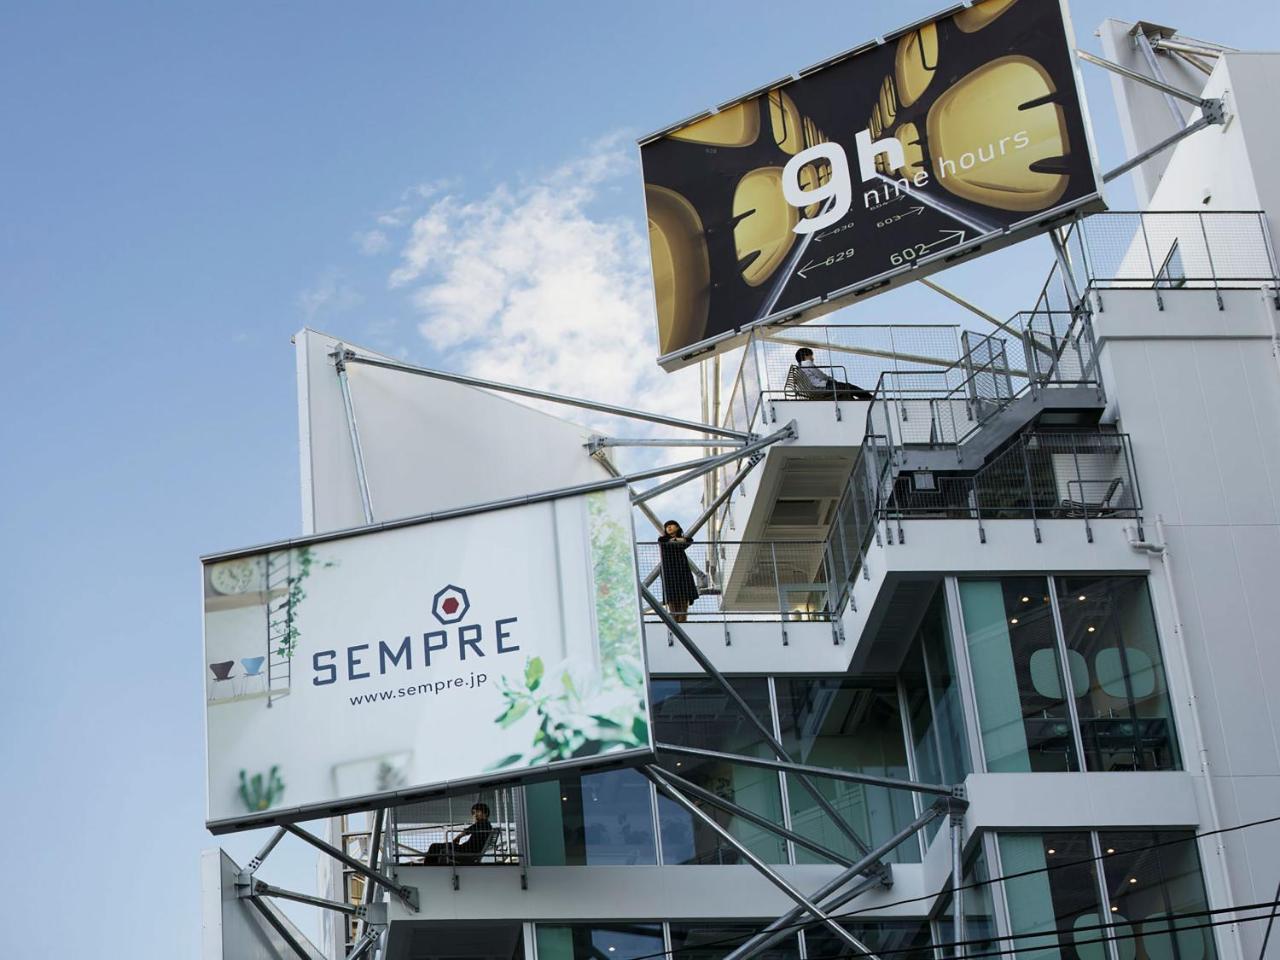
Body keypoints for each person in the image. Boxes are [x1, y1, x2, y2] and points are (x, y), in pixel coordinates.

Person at [423, 802, 494, 865]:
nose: (475, 815)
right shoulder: (486, 825)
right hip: (466, 849)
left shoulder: (483, 824)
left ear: (485, 813)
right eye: (474, 813)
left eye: (478, 812)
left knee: (434, 847)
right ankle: (432, 866)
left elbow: (468, 830)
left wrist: (458, 837)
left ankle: (428, 867)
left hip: (466, 851)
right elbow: (470, 829)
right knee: (437, 847)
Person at [794, 348, 874, 400]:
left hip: (816, 388)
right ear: (805, 356)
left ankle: (861, 400)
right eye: (811, 356)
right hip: (823, 387)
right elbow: (820, 375)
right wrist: (830, 379)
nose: (812, 358)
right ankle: (870, 398)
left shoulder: (801, 367)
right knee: (848, 386)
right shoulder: (807, 363)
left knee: (845, 392)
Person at [658, 521, 699, 622]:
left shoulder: (680, 540)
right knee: (672, 601)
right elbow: (668, 543)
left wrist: (676, 540)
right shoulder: (662, 539)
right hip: (669, 572)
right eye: (667, 526)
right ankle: (675, 625)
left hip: (682, 571)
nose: (669, 527)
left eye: (671, 525)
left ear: (677, 527)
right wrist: (678, 541)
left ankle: (682, 623)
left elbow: (689, 540)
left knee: (683, 600)